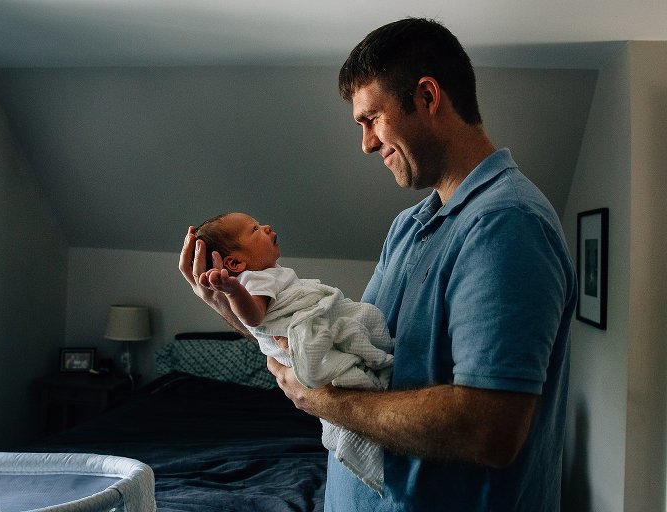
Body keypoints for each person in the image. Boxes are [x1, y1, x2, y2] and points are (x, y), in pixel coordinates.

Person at [179, 16, 577, 511]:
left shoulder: (506, 223)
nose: (366, 143)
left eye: (371, 118)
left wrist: (320, 401)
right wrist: (231, 309)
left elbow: (489, 429)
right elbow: (343, 347)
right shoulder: (408, 226)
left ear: (427, 96)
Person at [194, 211, 394, 493]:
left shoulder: (268, 273)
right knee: (358, 327)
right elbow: (255, 318)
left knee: (357, 325)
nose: (266, 226)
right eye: (254, 229)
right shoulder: (253, 280)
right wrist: (233, 291)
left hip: (300, 325)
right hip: (297, 335)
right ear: (236, 263)